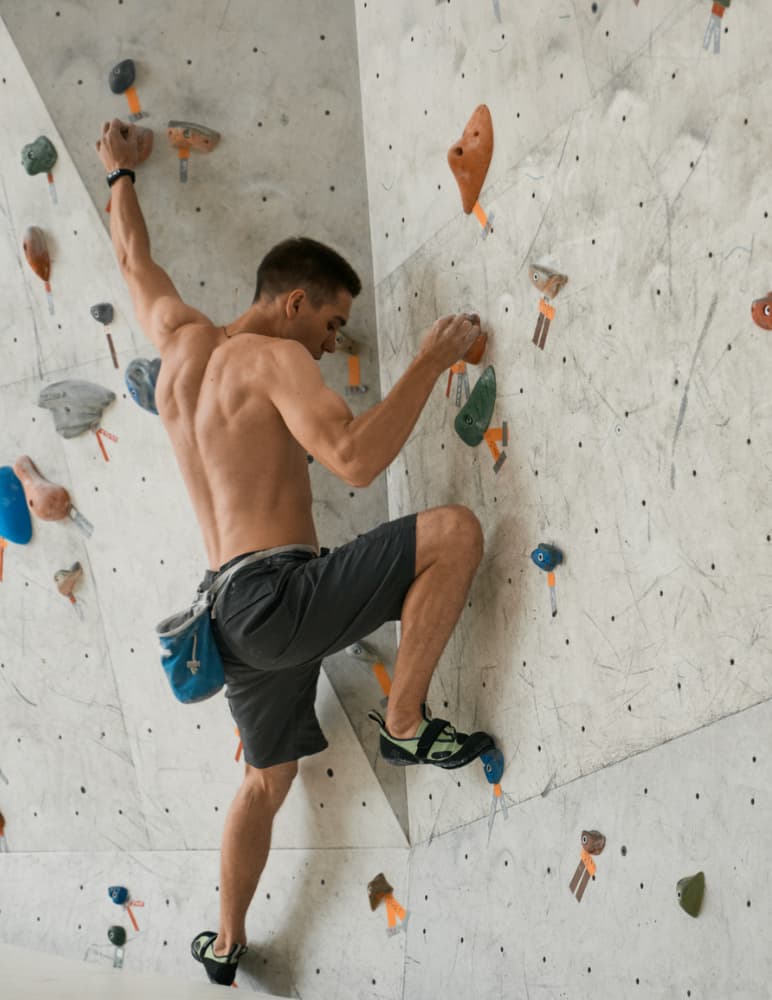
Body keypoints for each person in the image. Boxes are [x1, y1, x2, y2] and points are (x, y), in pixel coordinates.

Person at [96, 118, 494, 986]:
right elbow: (351, 459)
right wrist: (428, 362)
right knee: (456, 533)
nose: (331, 343)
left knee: (264, 783)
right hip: (276, 596)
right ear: (291, 301)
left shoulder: (180, 348)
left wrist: (121, 175)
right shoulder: (271, 358)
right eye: (332, 322)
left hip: (228, 621)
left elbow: (135, 266)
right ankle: (404, 724)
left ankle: (227, 941)